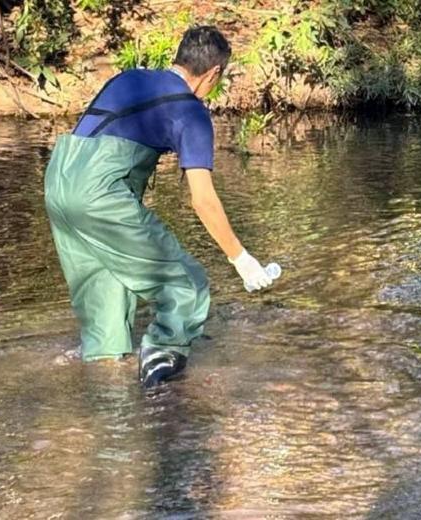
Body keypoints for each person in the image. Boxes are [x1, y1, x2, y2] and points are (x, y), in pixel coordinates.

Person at [44, 26, 273, 388]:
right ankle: (161, 390)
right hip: (100, 195)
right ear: (213, 73)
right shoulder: (191, 112)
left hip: (58, 182)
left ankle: (109, 404)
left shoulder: (129, 78)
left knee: (104, 298)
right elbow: (203, 199)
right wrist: (241, 259)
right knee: (185, 285)